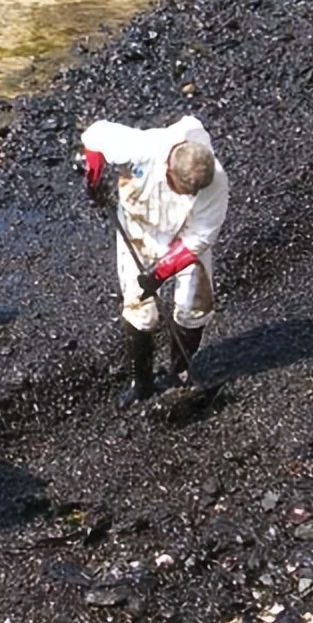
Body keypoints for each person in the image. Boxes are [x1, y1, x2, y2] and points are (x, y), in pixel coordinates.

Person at [81, 115, 229, 407]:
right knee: (140, 309)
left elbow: (199, 239)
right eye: (185, 190)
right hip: (139, 230)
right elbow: (93, 136)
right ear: (168, 171)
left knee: (193, 307)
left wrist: (160, 273)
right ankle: (142, 385)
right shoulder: (142, 147)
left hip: (185, 236)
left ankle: (180, 374)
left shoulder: (215, 181)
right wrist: (93, 179)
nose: (191, 195)